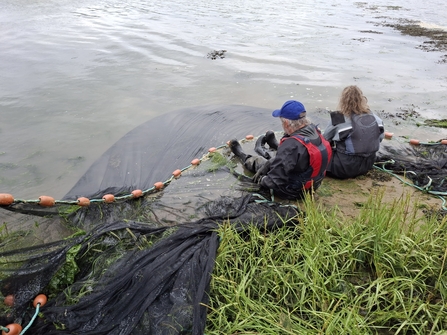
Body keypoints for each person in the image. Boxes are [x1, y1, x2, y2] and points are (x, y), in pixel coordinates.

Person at [229, 100, 332, 200]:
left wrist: (262, 179)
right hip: (313, 185)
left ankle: (242, 156)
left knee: (259, 161)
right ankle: (274, 146)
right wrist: (270, 163)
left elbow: (273, 181)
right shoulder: (314, 130)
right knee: (275, 160)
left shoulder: (291, 146)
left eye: (282, 122)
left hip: (292, 191)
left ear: (286, 123)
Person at [323, 85, 384, 179]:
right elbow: (379, 139)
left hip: (343, 168)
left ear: (342, 100)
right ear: (362, 99)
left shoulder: (338, 118)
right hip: (367, 165)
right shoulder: (376, 119)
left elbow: (325, 140)